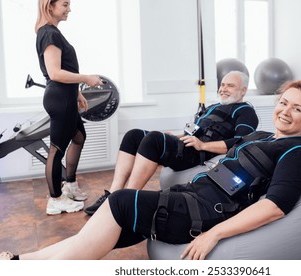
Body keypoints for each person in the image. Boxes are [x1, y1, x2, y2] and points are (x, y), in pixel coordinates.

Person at [0, 79, 301, 260]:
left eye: (298, 109)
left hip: (203, 214)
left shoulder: (297, 152)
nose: (286, 111)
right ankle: (20, 263)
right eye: (284, 102)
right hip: (188, 198)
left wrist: (214, 234)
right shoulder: (260, 136)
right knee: (101, 232)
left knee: (121, 203)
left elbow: (274, 207)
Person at [84, 70, 258, 215]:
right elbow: (194, 131)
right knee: (133, 135)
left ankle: (126, 200)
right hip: (188, 145)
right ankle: (113, 194)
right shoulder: (213, 107)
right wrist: (175, 136)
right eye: (222, 84)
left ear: (243, 90)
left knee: (154, 140)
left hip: (199, 153)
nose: (223, 89)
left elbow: (241, 142)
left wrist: (202, 145)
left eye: (230, 85)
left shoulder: (245, 111)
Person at [35, 0, 104, 215]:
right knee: (57, 149)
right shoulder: (49, 33)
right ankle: (56, 199)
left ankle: (70, 185)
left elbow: (63, 70)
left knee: (79, 136)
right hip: (60, 98)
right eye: (65, 4)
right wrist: (86, 79)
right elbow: (55, 73)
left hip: (66, 95)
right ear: (50, 6)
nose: (69, 9)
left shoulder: (52, 32)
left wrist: (78, 92)